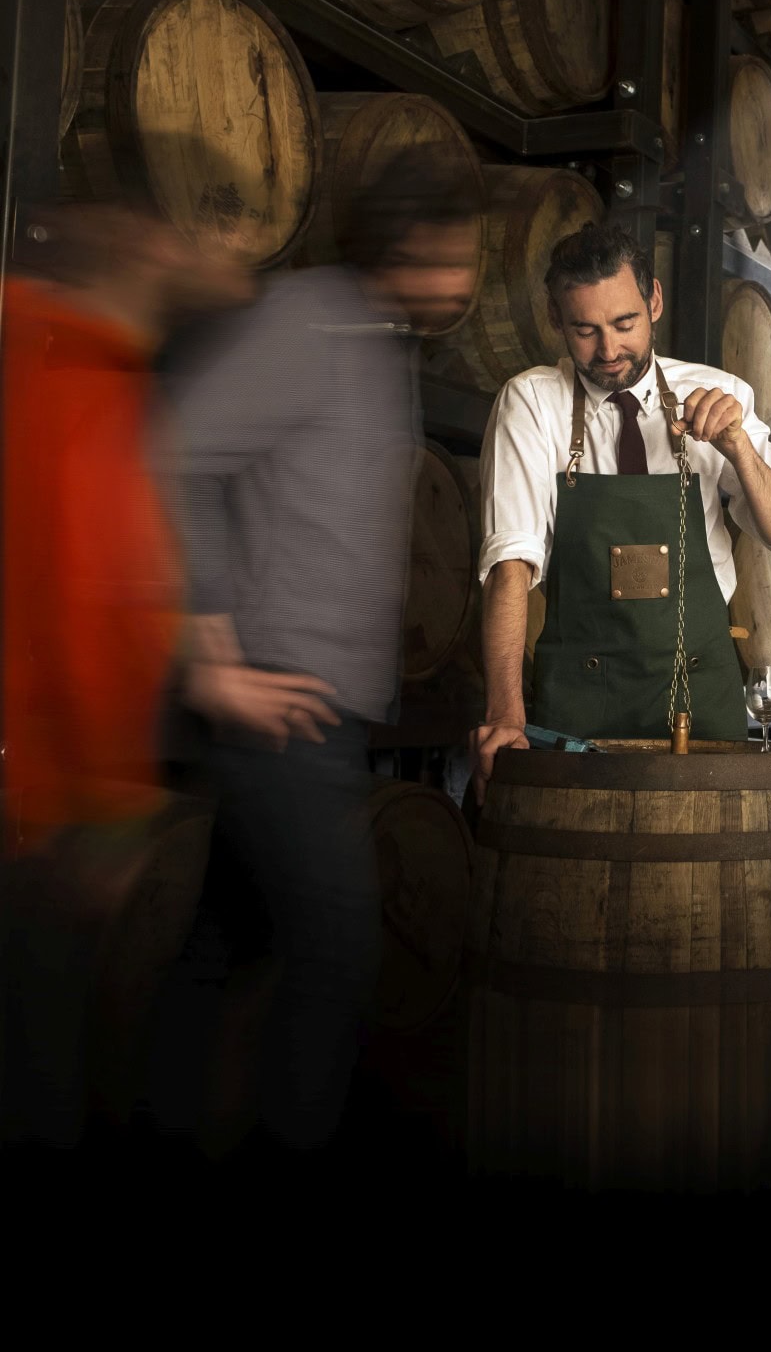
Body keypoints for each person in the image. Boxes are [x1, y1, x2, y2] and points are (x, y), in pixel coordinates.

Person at [162, 147, 483, 1160]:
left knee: (226, 945)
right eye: (443, 260)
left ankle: (158, 1124)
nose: (460, 283)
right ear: (394, 250)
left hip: (324, 715)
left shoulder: (377, 342)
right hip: (275, 703)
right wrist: (211, 656)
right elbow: (172, 455)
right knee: (342, 944)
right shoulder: (306, 320)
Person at [1, 191, 253, 1150]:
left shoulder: (31, 356)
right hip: (44, 813)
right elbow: (84, 612)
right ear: (138, 258)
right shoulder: (92, 386)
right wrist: (102, 808)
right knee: (40, 1079)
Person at [470, 223, 771, 789]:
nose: (608, 350)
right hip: (581, 699)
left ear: (653, 302)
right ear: (555, 320)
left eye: (625, 324)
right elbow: (510, 566)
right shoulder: (532, 402)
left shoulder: (718, 392)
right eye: (585, 330)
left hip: (701, 693)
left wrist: (740, 450)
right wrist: (505, 715)